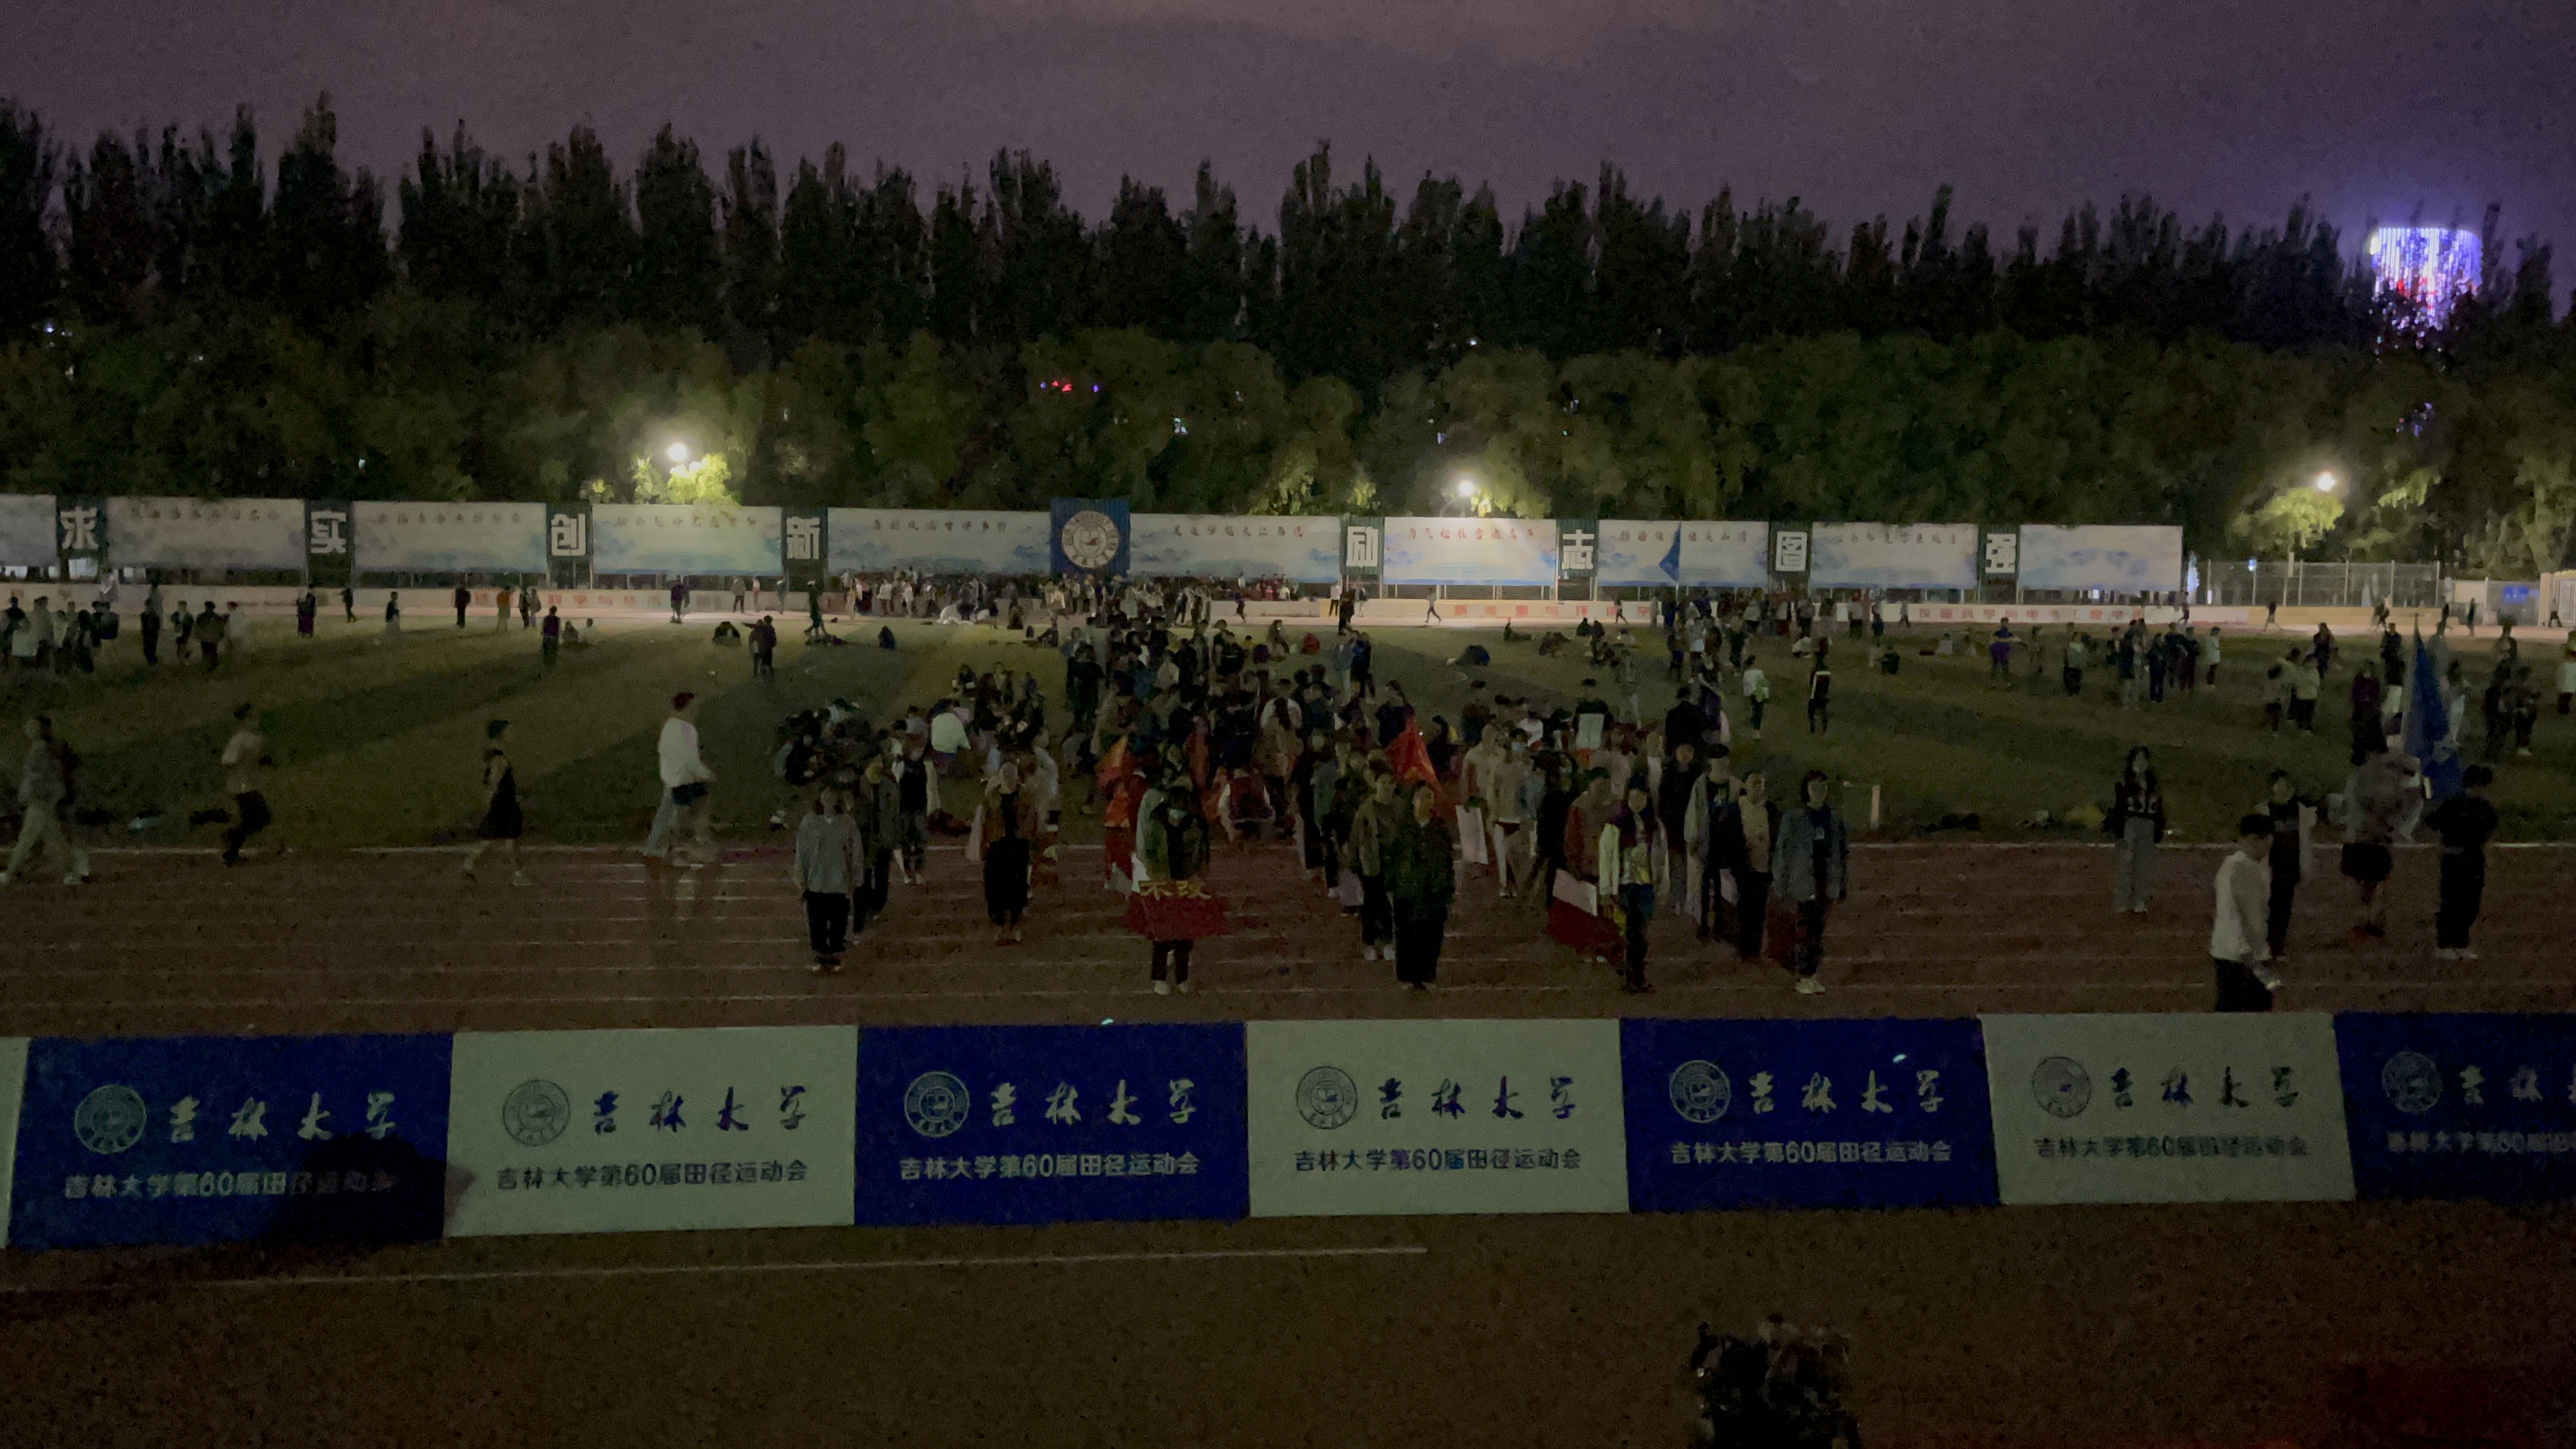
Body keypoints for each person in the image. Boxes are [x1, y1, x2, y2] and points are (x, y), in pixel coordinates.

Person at [1135, 781, 1215, 994]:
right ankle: (1159, 978)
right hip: (1162, 881)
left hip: (1186, 881)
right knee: (1162, 934)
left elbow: (1201, 853)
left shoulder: (1194, 825)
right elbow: (1149, 851)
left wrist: (1198, 876)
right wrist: (1156, 876)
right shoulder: (1155, 824)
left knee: (1185, 934)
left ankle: (1182, 978)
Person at [1770, 771, 1845, 995]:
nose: (1819, 792)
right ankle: (1803, 975)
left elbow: (1839, 853)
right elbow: (1782, 851)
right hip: (1803, 882)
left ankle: (1811, 974)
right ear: (1807, 790)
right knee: (1804, 929)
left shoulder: (1832, 818)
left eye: (1823, 787)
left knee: (1817, 931)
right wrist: (1781, 882)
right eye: (1814, 787)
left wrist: (1839, 883)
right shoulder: (1794, 818)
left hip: (1824, 883)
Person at [2340, 745, 2414, 944]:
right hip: (2371, 839)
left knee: (2367, 882)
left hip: (2369, 839)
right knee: (2369, 882)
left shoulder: (2361, 778)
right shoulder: (2369, 780)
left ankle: (2366, 919)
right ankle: (2366, 919)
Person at [2, 716, 88, 887]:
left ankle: (12, 873)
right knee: (35, 843)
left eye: (34, 726)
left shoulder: (44, 750)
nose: (29, 730)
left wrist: (52, 798)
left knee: (39, 840)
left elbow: (53, 779)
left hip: (42, 803)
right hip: (38, 802)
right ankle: (17, 872)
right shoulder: (38, 749)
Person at [1386, 782, 1456, 989]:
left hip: (1434, 891)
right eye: (1423, 796)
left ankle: (1427, 974)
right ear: (1413, 800)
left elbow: (1447, 860)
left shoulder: (1439, 829)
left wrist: (1447, 887)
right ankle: (1408, 976)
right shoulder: (1403, 828)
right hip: (1407, 890)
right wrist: (1391, 885)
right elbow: (1392, 858)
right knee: (1406, 934)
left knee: (1431, 934)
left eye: (1430, 797)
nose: (1427, 801)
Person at [2427, 765, 2500, 961]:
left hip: (2470, 858)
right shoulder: (2457, 805)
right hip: (2459, 857)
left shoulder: (2481, 808)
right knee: (2453, 902)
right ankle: (2445, 942)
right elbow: (2434, 824)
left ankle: (2460, 941)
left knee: (2469, 904)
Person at [2210, 813, 2281, 1011]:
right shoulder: (2246, 869)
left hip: (2227, 950)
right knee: (2250, 1014)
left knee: (2230, 1012)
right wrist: (2255, 959)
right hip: (2242, 956)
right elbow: (2247, 916)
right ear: (2260, 839)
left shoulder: (2231, 865)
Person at [640, 692, 714, 868]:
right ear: (687, 707)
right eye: (694, 706)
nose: (697, 709)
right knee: (688, 814)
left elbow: (667, 753)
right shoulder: (686, 728)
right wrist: (705, 774)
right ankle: (685, 850)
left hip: (673, 777)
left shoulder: (669, 726)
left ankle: (655, 846)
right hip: (683, 779)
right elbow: (690, 758)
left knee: (668, 813)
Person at [791, 786, 860, 973]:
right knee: (817, 922)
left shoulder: (847, 823)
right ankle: (820, 954)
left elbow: (856, 852)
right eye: (825, 796)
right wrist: (801, 881)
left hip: (839, 882)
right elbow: (802, 853)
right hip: (816, 882)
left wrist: (856, 878)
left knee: (839, 922)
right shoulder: (809, 822)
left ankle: (835, 954)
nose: (829, 800)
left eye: (832, 796)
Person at [460, 719, 531, 886]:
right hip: (504, 801)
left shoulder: (493, 752)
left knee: (492, 836)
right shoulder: (498, 754)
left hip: (502, 800)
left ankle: (469, 863)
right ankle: (517, 874)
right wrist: (493, 796)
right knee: (511, 837)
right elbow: (495, 777)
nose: (511, 733)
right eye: (507, 730)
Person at [1606, 784, 1658, 993]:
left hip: (1645, 885)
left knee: (1640, 933)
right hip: (1626, 885)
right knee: (1631, 933)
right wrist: (1608, 887)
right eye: (1634, 798)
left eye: (1641, 798)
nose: (1637, 802)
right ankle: (1633, 975)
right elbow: (1608, 856)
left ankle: (1635, 974)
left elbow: (1660, 858)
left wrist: (1661, 884)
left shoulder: (1654, 826)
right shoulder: (1616, 825)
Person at [2259, 771, 2313, 962]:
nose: (2285, 789)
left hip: (2289, 868)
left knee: (2284, 908)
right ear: (2272, 787)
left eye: (2288, 786)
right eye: (2281, 785)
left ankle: (2277, 944)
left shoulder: (2299, 811)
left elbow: (2304, 841)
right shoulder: (2264, 811)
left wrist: (2305, 866)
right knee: (2266, 907)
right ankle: (2264, 944)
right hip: (2270, 868)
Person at [1349, 767, 1401, 962]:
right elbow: (1355, 837)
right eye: (1383, 782)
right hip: (1372, 862)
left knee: (1391, 905)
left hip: (1394, 862)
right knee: (1371, 904)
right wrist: (1354, 861)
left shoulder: (1401, 807)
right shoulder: (1366, 809)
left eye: (1390, 783)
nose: (1386, 787)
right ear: (1376, 784)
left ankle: (1388, 941)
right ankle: (1370, 943)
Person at [2106, 747, 2165, 915]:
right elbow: (2118, 806)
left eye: (2144, 759)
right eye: (2138, 759)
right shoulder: (2125, 781)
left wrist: (2159, 827)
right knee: (2126, 863)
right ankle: (2123, 901)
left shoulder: (2153, 781)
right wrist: (2118, 830)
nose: (2141, 763)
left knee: (2143, 865)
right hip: (2130, 824)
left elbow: (2159, 807)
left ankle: (2140, 900)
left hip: (2148, 824)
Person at [850, 755, 902, 939]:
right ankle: (860, 917)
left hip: (883, 839)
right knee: (862, 879)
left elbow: (894, 814)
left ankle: (877, 905)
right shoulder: (857, 787)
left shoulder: (889, 787)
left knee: (881, 876)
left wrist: (894, 837)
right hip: (864, 841)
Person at [980, 763, 1033, 944]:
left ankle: (1015, 923)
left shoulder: (1025, 796)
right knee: (995, 886)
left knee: (1017, 886)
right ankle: (1000, 923)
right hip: (998, 846)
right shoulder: (992, 797)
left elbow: (1031, 821)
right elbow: (984, 821)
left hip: (1017, 846)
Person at [218, 703, 272, 866]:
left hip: (248, 785)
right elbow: (228, 761)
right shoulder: (240, 739)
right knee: (259, 818)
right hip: (242, 787)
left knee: (256, 819)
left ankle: (232, 844)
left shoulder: (254, 739)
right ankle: (232, 842)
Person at [197, 601, 224, 670]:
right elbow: (198, 627)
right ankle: (208, 666)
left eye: (210, 608)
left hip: (212, 638)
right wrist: (199, 636)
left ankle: (212, 665)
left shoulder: (217, 617)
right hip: (205, 638)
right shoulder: (201, 617)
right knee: (206, 652)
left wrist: (221, 635)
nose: (209, 609)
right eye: (208, 608)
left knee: (212, 652)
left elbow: (220, 627)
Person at [541, 605, 561, 670]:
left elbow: (543, 629)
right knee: (554, 650)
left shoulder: (546, 618)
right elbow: (558, 629)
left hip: (547, 637)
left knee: (545, 650)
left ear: (550, 611)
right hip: (554, 637)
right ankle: (553, 663)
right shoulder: (557, 619)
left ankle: (545, 663)